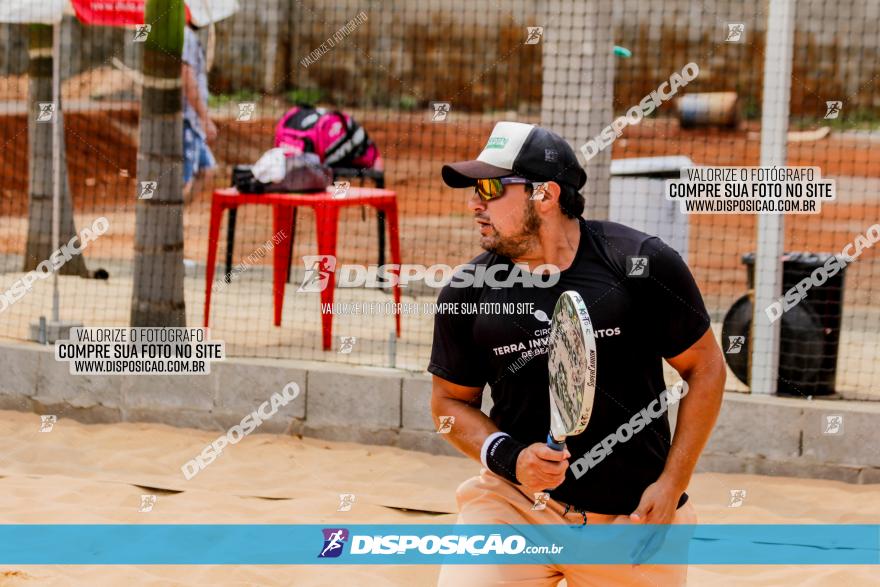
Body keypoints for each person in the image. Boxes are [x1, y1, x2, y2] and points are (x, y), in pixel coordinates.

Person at [430, 121, 726, 586]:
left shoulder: (639, 263)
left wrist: (673, 485)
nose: (475, 203)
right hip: (513, 508)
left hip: (632, 518)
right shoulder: (467, 290)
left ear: (544, 196)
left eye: (490, 187)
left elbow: (705, 367)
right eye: (474, 189)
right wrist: (510, 458)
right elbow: (448, 403)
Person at [182, 7, 217, 202]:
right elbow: (186, 76)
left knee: (206, 170)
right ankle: (167, 224)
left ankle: (174, 220)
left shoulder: (188, 37)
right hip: (186, 118)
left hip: (191, 119)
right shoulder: (185, 36)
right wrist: (205, 118)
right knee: (184, 180)